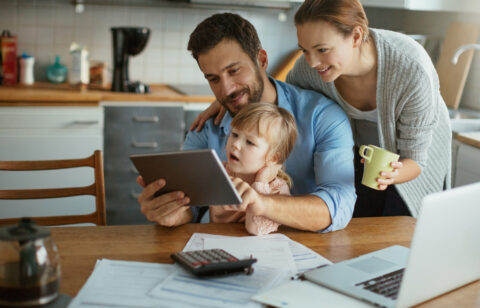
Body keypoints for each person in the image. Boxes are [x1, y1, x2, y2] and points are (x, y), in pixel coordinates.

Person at [136, 12, 356, 233]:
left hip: (310, 252)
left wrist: (262, 204)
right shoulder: (205, 128)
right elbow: (190, 206)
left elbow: (339, 204)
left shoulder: (322, 116)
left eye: (234, 71)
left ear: (261, 60)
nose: (227, 89)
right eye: (213, 79)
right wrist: (171, 212)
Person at [210, 102, 297, 235]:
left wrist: (260, 183)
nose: (236, 144)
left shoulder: (276, 189)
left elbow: (255, 229)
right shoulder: (221, 172)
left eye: (250, 142)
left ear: (273, 158)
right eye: (234, 134)